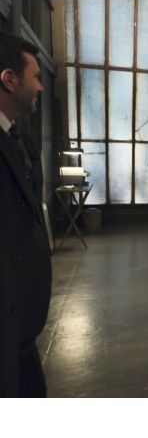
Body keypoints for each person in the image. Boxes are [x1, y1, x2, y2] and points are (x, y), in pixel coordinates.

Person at [0, 31, 51, 397]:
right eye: (35, 76)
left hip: (22, 324)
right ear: (9, 79)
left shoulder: (21, 139)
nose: (40, 87)